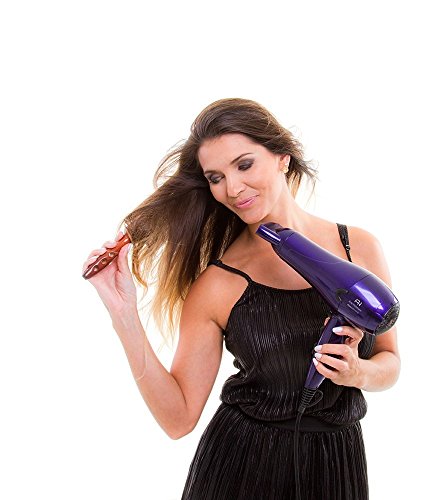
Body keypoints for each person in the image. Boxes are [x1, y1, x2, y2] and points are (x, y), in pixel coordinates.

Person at [82, 98, 400, 500]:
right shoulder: (218, 285)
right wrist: (124, 313)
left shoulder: (360, 248)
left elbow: (389, 361)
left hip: (337, 465)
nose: (232, 189)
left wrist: (357, 373)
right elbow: (178, 419)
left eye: (244, 165)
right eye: (216, 178)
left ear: (283, 157)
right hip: (243, 466)